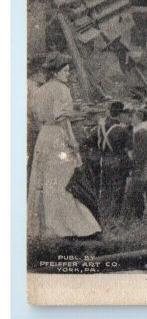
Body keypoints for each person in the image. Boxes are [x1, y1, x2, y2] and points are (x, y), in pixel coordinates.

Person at [28, 52, 102, 239]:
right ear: (55, 72)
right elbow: (63, 120)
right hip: (59, 137)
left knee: (45, 181)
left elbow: (36, 118)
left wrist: (45, 130)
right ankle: (73, 226)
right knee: (65, 181)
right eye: (66, 70)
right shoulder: (62, 89)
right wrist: (72, 142)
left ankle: (46, 227)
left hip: (44, 136)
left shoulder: (39, 90)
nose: (68, 73)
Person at [97, 101, 133, 219]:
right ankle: (114, 216)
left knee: (106, 189)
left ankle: (103, 215)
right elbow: (129, 149)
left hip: (105, 160)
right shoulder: (123, 130)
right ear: (120, 114)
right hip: (119, 162)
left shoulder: (101, 127)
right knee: (118, 190)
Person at [27, 55, 46, 185]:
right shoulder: (34, 89)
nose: (46, 75)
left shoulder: (30, 84)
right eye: (43, 72)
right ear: (36, 72)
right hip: (35, 129)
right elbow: (35, 112)